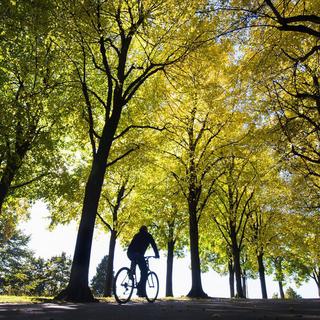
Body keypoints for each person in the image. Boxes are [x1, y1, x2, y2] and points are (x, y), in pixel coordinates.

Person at [127, 225, 159, 297]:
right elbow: (154, 245)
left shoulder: (136, 235)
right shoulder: (148, 236)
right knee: (144, 271)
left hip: (129, 253)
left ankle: (131, 272)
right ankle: (140, 288)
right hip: (138, 255)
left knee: (135, 260)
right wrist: (157, 254)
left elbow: (132, 245)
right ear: (146, 230)